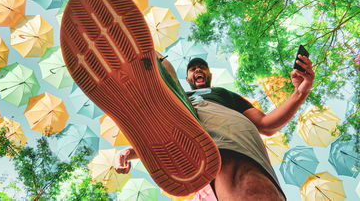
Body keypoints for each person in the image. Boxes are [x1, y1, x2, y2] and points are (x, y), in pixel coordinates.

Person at [115, 55, 315, 200]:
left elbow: (267, 124)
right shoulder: (178, 100)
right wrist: (129, 152)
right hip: (189, 138)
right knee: (172, 100)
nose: (198, 70)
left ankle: (154, 64)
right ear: (187, 79)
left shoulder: (223, 93)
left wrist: (300, 92)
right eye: (193, 69)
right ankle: (153, 65)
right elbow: (162, 135)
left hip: (235, 143)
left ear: (209, 74)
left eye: (201, 67)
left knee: (252, 190)